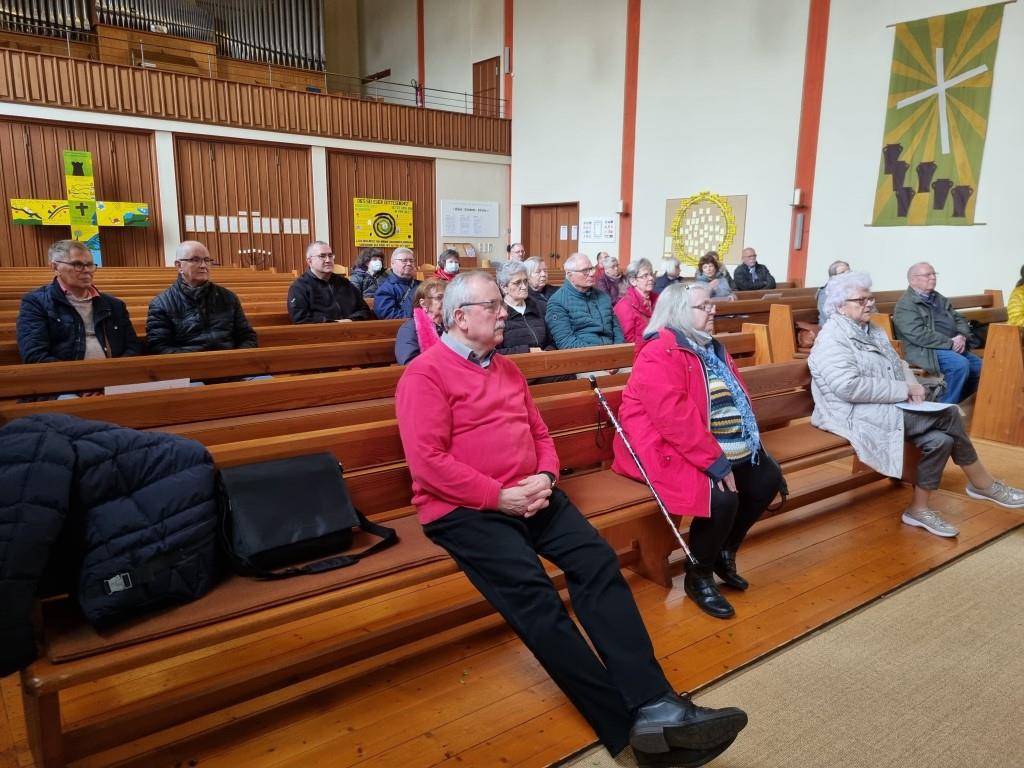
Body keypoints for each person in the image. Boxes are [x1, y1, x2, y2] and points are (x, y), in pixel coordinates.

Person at [394, 270, 748, 765]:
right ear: (460, 317)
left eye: (500, 303)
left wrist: (545, 475)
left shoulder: (507, 370)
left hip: (532, 494)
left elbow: (541, 436)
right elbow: (429, 465)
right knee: (538, 602)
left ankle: (656, 703)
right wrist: (499, 497)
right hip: (465, 507)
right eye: (494, 306)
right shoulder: (425, 374)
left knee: (599, 563)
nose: (504, 313)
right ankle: (627, 735)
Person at [613, 283, 783, 620]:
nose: (713, 310)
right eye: (704, 306)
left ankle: (723, 550)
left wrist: (749, 445)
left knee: (766, 477)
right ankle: (699, 573)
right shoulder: (659, 350)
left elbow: (736, 399)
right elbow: (674, 418)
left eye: (712, 305)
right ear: (678, 312)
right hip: (660, 447)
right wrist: (717, 464)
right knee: (720, 496)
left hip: (704, 441)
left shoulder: (711, 348)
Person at [809, 272, 1023, 538]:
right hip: (849, 412)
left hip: (881, 406)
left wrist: (914, 388)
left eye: (870, 298)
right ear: (840, 306)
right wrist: (903, 389)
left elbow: (897, 364)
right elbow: (848, 387)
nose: (869, 304)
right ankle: (983, 484)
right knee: (949, 415)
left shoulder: (871, 329)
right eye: (861, 300)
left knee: (940, 441)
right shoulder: (833, 338)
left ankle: (918, 510)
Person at [17, 239, 141, 363]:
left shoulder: (114, 304)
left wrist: (117, 371)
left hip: (116, 376)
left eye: (90, 265)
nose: (87, 270)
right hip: (66, 379)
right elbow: (35, 355)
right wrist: (77, 375)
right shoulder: (36, 303)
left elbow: (133, 347)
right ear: (55, 267)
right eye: (78, 264)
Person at [893, 262, 981, 404]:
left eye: (934, 274)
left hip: (951, 345)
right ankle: (944, 409)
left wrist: (962, 336)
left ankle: (956, 401)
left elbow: (960, 319)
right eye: (928, 275)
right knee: (959, 365)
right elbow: (918, 334)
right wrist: (950, 343)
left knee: (981, 367)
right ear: (913, 280)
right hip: (924, 349)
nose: (933, 277)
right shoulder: (906, 305)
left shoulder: (938, 298)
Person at [147, 241, 257, 354]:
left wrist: (238, 359)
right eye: (195, 260)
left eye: (207, 260)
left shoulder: (228, 297)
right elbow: (159, 347)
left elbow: (247, 336)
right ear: (179, 266)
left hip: (231, 363)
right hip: (187, 367)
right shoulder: (161, 304)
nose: (204, 265)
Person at [546, 252, 625, 350]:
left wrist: (617, 350)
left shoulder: (603, 297)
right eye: (585, 271)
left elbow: (616, 330)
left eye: (591, 269)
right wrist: (601, 354)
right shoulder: (557, 302)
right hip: (582, 358)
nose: (592, 274)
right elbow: (566, 342)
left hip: (612, 354)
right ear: (570, 275)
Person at [287, 241, 372, 323]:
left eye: (330, 255)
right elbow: (300, 318)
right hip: (321, 334)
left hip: (352, 331)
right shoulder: (299, 287)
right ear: (309, 261)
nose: (328, 260)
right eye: (322, 256)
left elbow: (364, 309)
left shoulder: (344, 283)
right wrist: (333, 323)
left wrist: (351, 320)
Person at [394, 279, 445, 365]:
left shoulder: (451, 325)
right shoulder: (409, 329)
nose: (445, 301)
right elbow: (409, 363)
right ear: (424, 303)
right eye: (439, 298)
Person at [614, 258, 658, 354]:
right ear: (633, 281)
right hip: (640, 355)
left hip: (657, 349)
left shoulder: (658, 299)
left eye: (651, 274)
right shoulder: (624, 306)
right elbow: (629, 342)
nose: (651, 278)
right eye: (645, 275)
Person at [374, 247, 420, 319]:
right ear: (392, 264)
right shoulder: (385, 290)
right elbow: (390, 317)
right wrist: (420, 318)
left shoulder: (422, 285)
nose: (409, 264)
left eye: (411, 261)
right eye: (404, 260)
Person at [816, 260, 850, 325]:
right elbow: (827, 315)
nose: (847, 275)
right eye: (842, 273)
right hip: (831, 327)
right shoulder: (825, 291)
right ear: (833, 277)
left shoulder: (853, 289)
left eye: (849, 272)